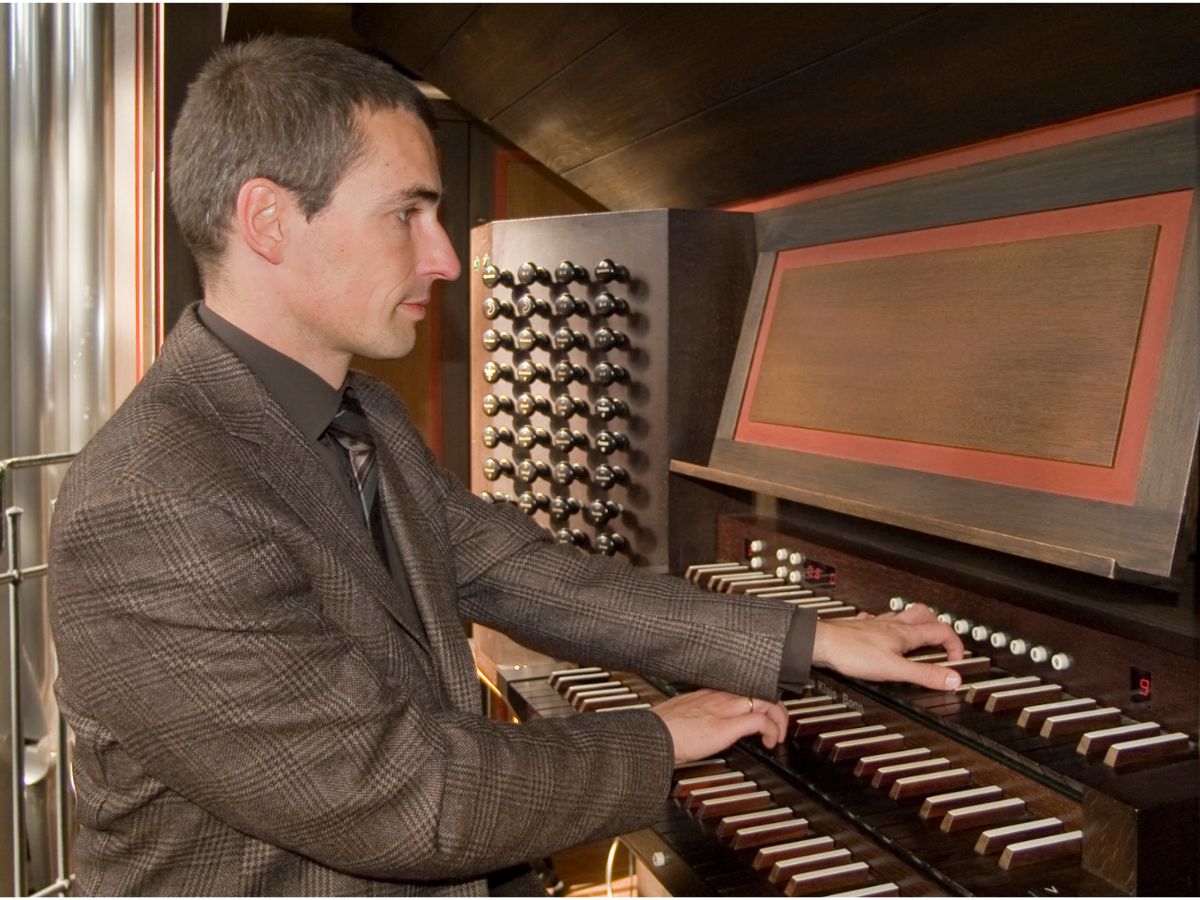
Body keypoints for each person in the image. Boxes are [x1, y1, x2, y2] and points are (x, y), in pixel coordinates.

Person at [48, 35, 963, 896]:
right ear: (269, 220)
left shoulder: (366, 416)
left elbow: (526, 574)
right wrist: (652, 737)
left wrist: (807, 639)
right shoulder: (153, 502)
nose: (445, 257)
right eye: (407, 213)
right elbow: (410, 800)